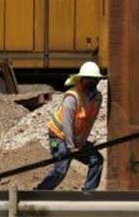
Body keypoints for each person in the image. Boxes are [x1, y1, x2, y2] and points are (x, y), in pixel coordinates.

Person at [36, 61, 106, 191]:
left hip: (75, 137)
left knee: (96, 160)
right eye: (88, 79)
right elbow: (66, 124)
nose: (91, 82)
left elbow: (90, 122)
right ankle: (41, 192)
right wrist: (71, 146)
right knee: (61, 169)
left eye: (94, 79)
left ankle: (88, 193)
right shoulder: (72, 97)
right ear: (81, 79)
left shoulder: (97, 98)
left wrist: (82, 142)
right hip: (58, 135)